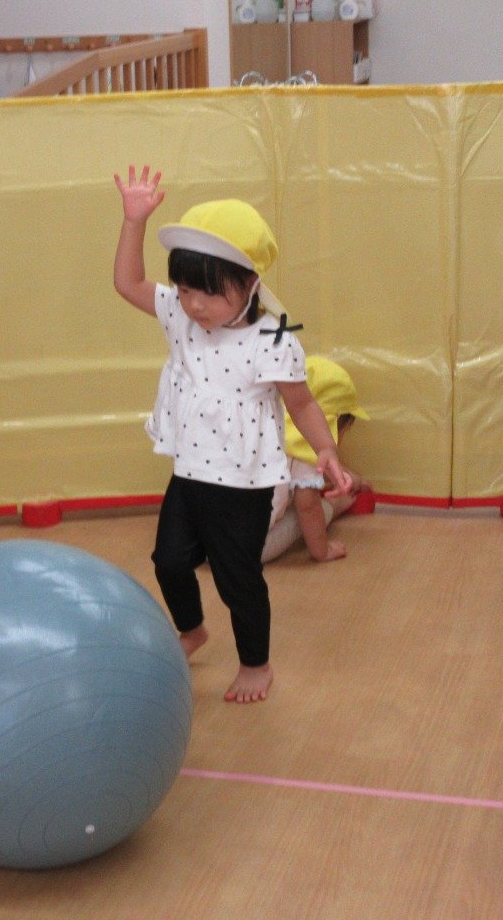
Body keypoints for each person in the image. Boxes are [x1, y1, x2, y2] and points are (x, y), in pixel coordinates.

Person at [112, 165, 354, 704]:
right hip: (189, 474)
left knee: (236, 577)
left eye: (210, 293)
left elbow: (302, 402)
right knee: (168, 561)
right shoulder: (180, 317)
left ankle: (255, 663)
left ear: (250, 284)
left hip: (245, 484)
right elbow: (127, 283)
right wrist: (134, 222)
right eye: (184, 289)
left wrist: (325, 449)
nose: (194, 304)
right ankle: (192, 628)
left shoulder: (274, 340)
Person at [262, 356, 367, 563]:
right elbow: (308, 507)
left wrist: (352, 478)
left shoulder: (264, 425)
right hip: (242, 550)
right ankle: (337, 505)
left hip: (201, 539)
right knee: (308, 512)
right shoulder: (306, 446)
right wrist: (322, 551)